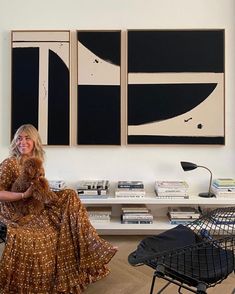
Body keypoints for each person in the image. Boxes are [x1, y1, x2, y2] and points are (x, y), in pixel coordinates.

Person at [0, 124, 117, 293]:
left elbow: (40, 191)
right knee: (40, 236)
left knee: (69, 196)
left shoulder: (37, 163)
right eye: (19, 138)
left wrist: (47, 196)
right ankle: (93, 247)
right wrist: (23, 196)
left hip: (34, 205)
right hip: (14, 209)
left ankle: (92, 245)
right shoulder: (9, 163)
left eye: (27, 138)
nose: (22, 142)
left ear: (35, 142)